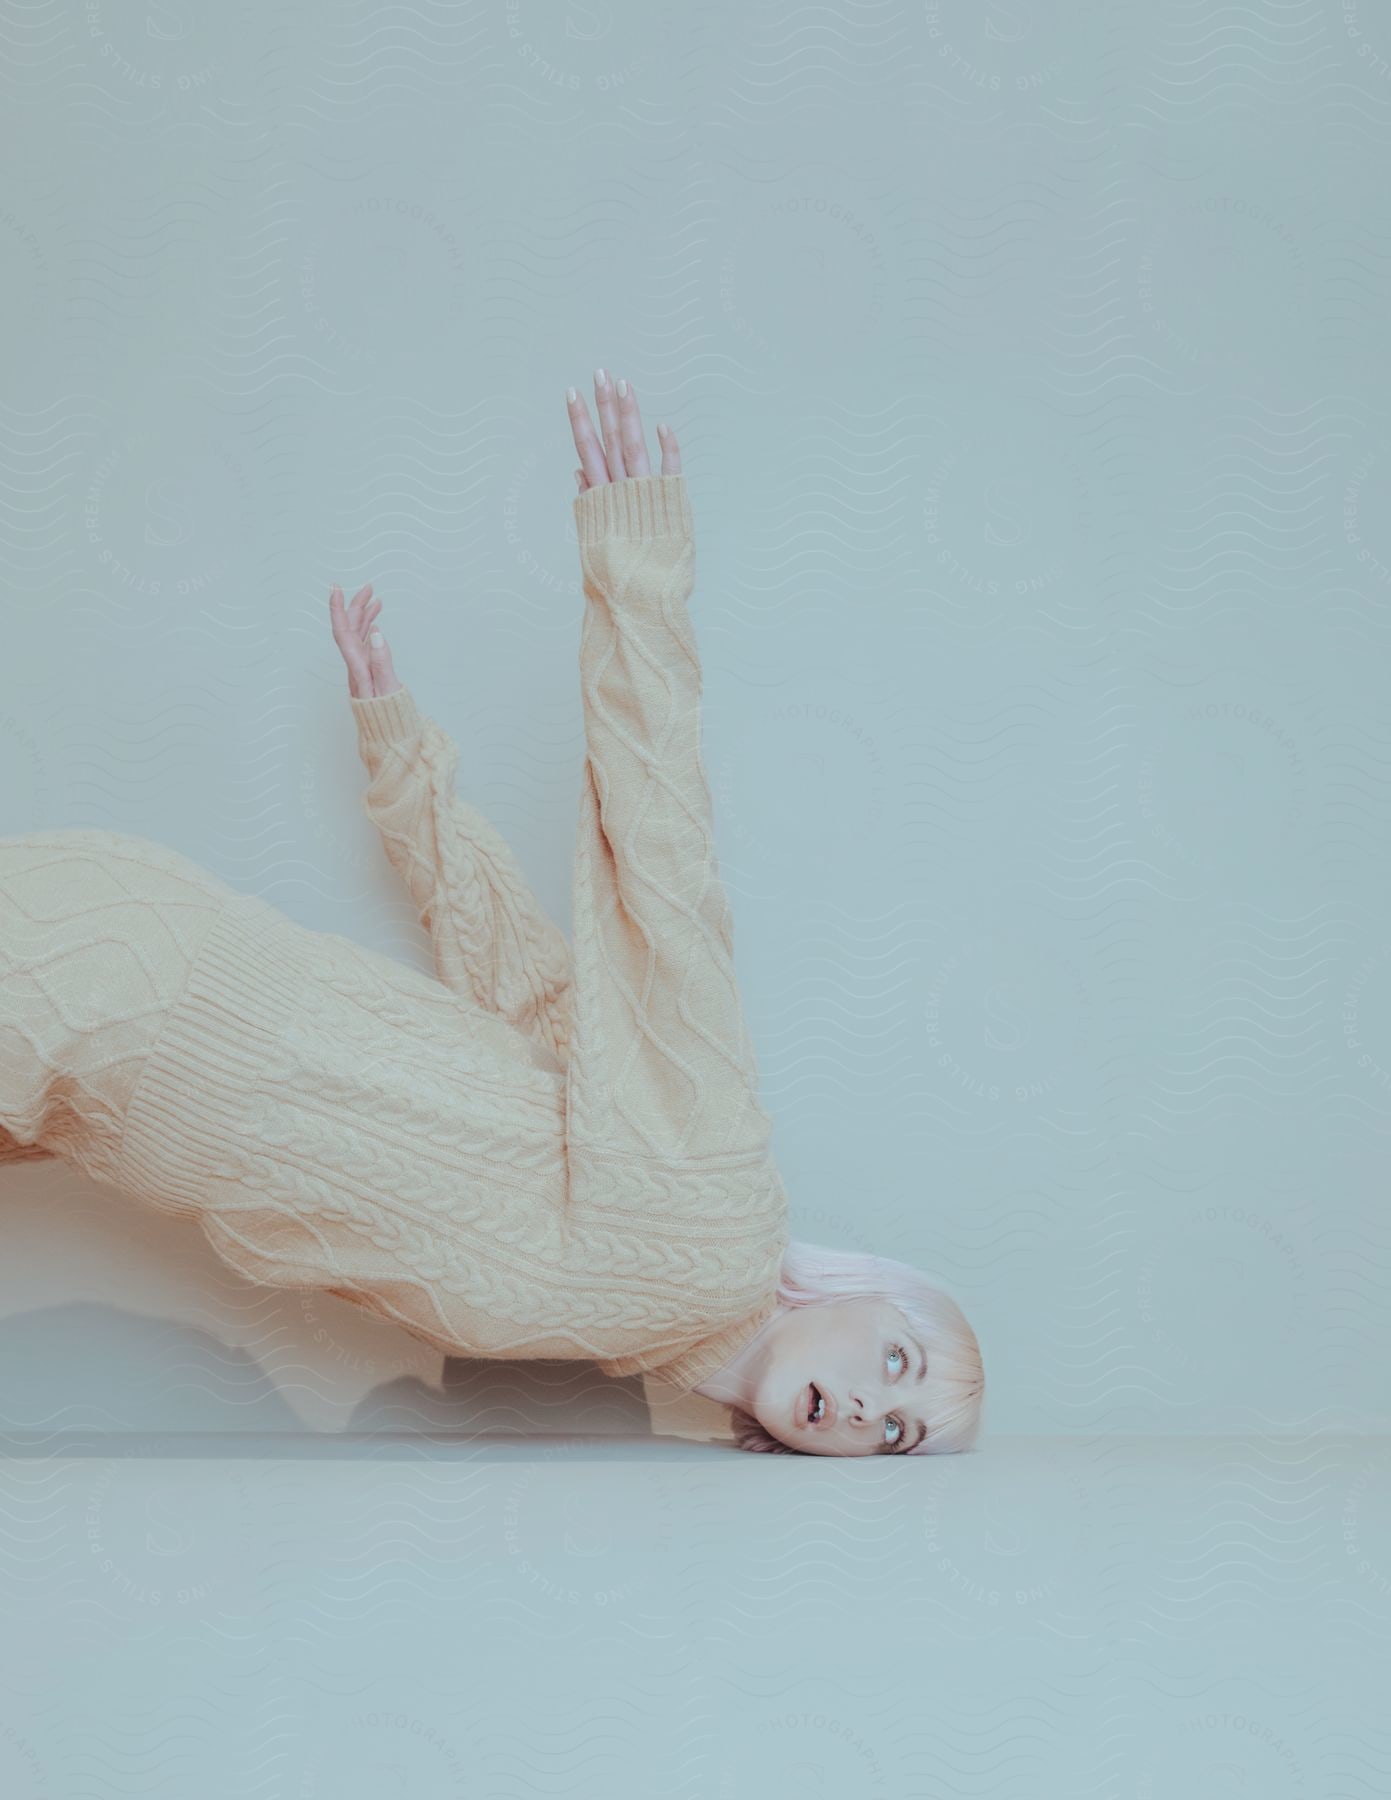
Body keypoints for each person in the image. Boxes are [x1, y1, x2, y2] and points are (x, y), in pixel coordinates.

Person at [0, 368, 983, 1456]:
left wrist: (403, 759)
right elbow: (662, 886)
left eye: (895, 1433)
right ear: (868, 1292)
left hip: (95, 1101)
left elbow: (519, 984)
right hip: (127, 993)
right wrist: (635, 571)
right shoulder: (714, 1223)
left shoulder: (645, 1325)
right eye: (898, 1362)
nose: (862, 1404)